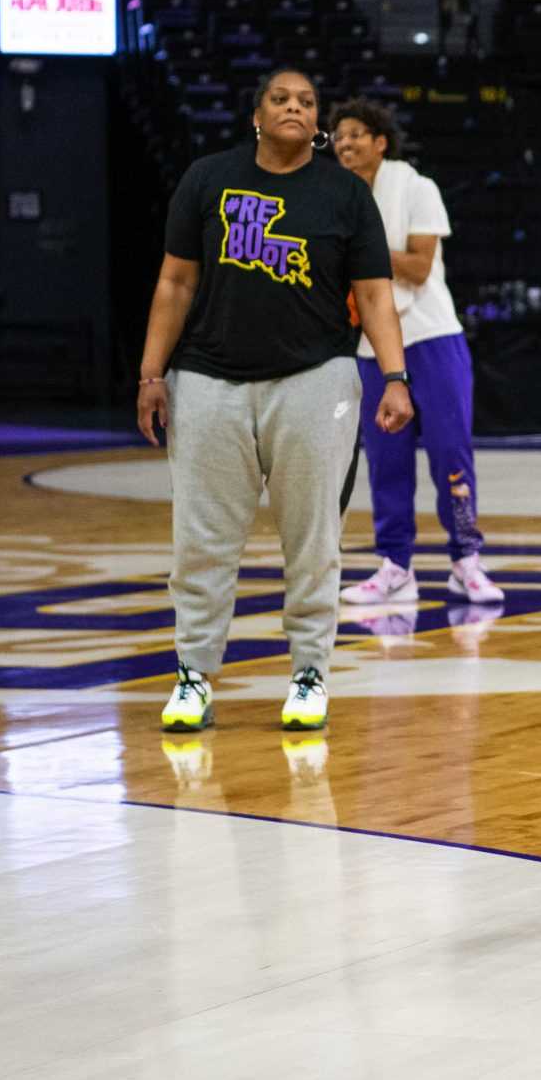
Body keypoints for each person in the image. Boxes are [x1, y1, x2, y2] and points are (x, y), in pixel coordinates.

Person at [138, 68, 415, 736]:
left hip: (315, 380)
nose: (294, 106)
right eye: (280, 98)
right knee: (200, 539)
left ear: (317, 123)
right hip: (207, 380)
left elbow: (375, 293)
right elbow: (175, 282)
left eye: (306, 101)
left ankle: (309, 672)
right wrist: (152, 374)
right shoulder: (208, 179)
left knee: (313, 537)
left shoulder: (345, 194)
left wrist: (396, 375)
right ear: (256, 115)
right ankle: (193, 675)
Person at [328, 98, 503, 607]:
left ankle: (466, 560)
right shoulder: (334, 197)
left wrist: (358, 250)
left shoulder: (416, 186)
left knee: (451, 451)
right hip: (370, 343)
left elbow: (420, 266)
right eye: (339, 135)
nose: (346, 142)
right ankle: (395, 566)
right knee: (385, 459)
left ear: (381, 142)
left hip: (430, 336)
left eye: (357, 133)